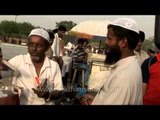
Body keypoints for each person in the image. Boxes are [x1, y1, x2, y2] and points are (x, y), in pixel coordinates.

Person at [81, 18, 142, 105]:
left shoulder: (124, 76)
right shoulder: (129, 66)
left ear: (123, 42)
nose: (106, 42)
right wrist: (96, 100)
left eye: (109, 39)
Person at [0, 28, 64, 105]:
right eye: (31, 44)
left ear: (47, 47)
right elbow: (3, 74)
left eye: (39, 45)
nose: (34, 49)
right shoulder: (18, 60)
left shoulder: (54, 66)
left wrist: (48, 94)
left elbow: (59, 91)